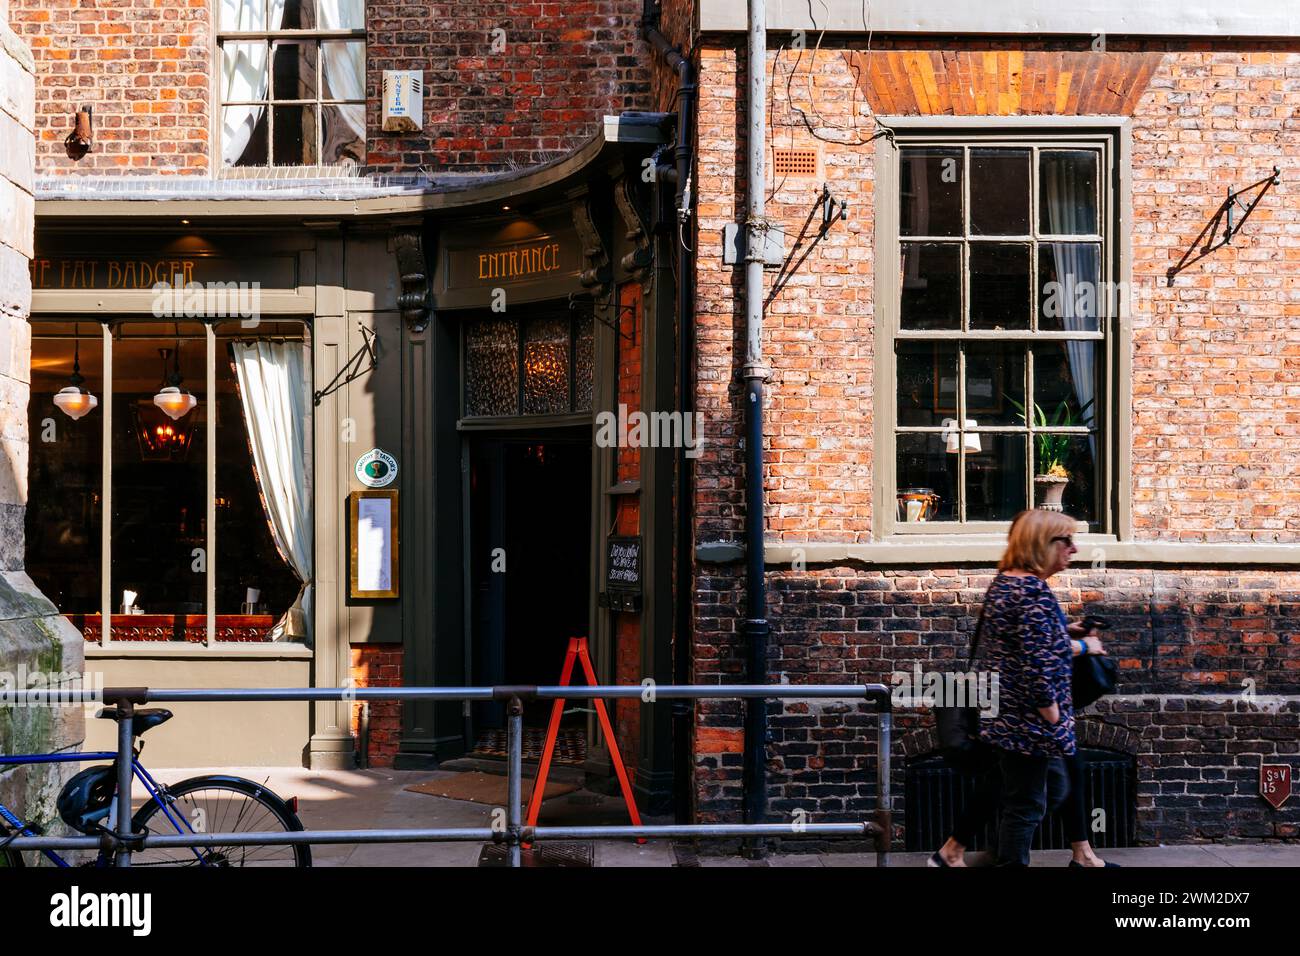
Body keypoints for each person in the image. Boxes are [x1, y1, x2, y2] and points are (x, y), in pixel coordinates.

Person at [928, 509, 1083, 867]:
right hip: (1029, 723)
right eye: (1066, 541)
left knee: (1049, 791)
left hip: (1005, 717)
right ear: (1042, 544)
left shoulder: (1006, 583)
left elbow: (1020, 643)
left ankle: (979, 855)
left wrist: (1064, 633)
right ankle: (1005, 860)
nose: (1073, 549)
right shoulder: (1032, 593)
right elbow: (1035, 662)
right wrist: (1050, 710)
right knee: (1027, 804)